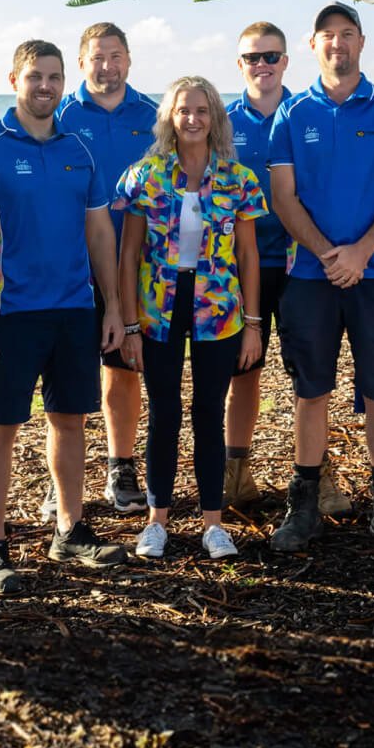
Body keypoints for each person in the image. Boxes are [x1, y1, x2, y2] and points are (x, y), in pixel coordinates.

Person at [0, 40, 129, 595]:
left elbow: (100, 232)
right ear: (13, 79)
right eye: (35, 76)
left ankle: (70, 529)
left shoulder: (79, 148)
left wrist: (114, 307)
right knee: (0, 427)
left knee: (71, 420)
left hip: (74, 308)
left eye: (54, 77)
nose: (46, 86)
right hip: (8, 312)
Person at [267, 2, 374, 552]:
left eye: (347, 34)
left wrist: (360, 252)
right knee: (311, 392)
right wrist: (330, 254)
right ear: (313, 46)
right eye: (327, 36)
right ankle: (303, 507)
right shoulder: (292, 115)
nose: (338, 44)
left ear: (362, 42)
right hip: (310, 276)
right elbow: (282, 197)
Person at [118, 76, 267, 561]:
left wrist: (252, 322)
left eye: (202, 110)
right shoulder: (144, 176)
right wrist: (129, 324)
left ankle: (212, 523)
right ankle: (157, 521)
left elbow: (248, 255)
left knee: (208, 412)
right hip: (159, 305)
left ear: (215, 118)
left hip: (217, 307)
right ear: (170, 117)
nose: (193, 119)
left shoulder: (238, 179)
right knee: (163, 413)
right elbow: (128, 254)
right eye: (184, 110)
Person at [54, 22, 158, 514]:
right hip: (69, 266)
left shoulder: (154, 117)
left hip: (134, 266)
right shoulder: (60, 114)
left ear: (129, 60)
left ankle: (121, 465)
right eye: (97, 57)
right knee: (66, 376)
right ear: (81, 63)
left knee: (124, 368)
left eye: (115, 56)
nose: (106, 66)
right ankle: (65, 487)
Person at [222, 23, 292, 510]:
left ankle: (316, 475)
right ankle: (236, 472)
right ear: (239, 64)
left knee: (311, 374)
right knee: (243, 372)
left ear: (286, 60)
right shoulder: (222, 123)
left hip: (299, 261)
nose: (262, 65)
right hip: (239, 265)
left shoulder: (307, 112)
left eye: (271, 56)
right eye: (252, 57)